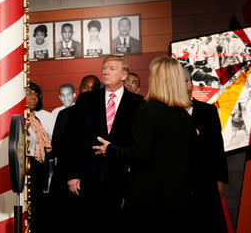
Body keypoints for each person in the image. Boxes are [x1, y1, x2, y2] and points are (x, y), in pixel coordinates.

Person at [94, 56, 196, 233]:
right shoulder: (185, 117)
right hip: (179, 200)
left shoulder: (147, 110)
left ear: (157, 79)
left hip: (149, 201)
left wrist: (110, 149)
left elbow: (140, 155)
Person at [66, 55, 144, 232]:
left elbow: (141, 144)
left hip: (123, 178)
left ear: (124, 75)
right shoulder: (86, 100)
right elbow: (73, 138)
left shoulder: (138, 104)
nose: (105, 72)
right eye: (104, 68)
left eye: (112, 68)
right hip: (89, 178)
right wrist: (73, 173)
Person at [46, 75, 101, 233]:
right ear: (79, 89)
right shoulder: (66, 114)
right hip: (66, 177)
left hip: (94, 179)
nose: (88, 91)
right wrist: (72, 173)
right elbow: (58, 146)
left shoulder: (102, 116)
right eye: (85, 87)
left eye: (93, 88)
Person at [184, 68, 228, 233]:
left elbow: (217, 147)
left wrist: (220, 180)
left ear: (191, 83)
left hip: (206, 181)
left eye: (186, 81)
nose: (183, 85)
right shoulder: (167, 111)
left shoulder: (208, 111)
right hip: (178, 184)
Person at [26, 82, 55, 233]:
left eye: (36, 95)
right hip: (26, 169)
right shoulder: (19, 118)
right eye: (29, 93)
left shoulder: (35, 119)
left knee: (38, 209)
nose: (34, 98)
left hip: (39, 169)